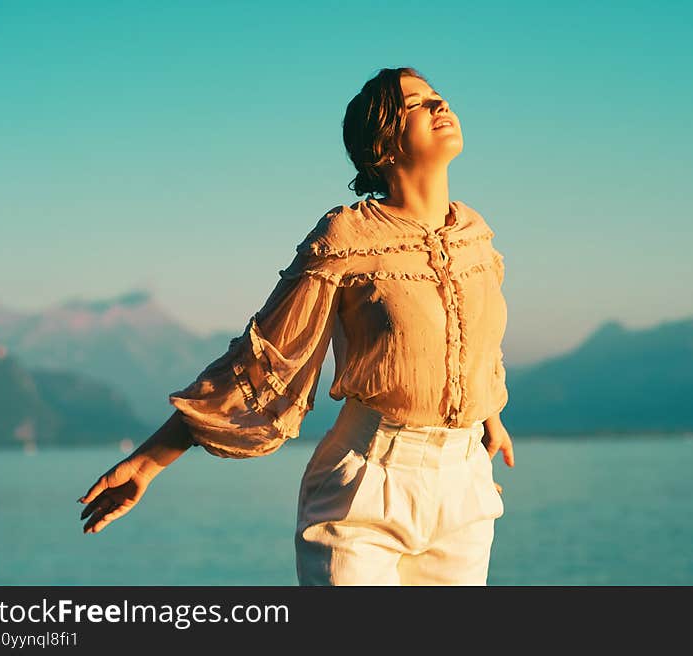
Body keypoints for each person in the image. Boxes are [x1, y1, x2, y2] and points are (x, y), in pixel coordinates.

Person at [77, 66, 515, 586]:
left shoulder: (474, 233)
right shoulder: (347, 236)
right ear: (382, 145)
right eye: (418, 103)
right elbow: (260, 363)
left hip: (465, 492)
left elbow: (471, 340)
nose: (441, 106)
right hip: (367, 491)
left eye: (439, 96)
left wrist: (486, 414)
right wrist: (150, 461)